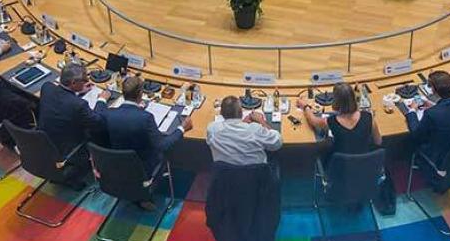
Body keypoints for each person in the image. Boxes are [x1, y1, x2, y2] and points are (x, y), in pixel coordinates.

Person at [97, 75, 192, 206]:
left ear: (123, 92)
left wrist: (102, 99)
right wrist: (182, 128)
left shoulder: (109, 113)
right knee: (166, 149)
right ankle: (144, 194)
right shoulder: (145, 118)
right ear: (141, 94)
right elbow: (163, 146)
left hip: (114, 166)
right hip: (143, 170)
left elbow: (98, 113)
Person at [38, 63, 110, 179]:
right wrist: (102, 99)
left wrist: (77, 91)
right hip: (67, 149)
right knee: (102, 132)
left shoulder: (47, 87)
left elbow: (62, 101)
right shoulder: (78, 105)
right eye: (84, 80)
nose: (87, 81)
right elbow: (98, 122)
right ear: (73, 83)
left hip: (45, 141)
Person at [403, 70, 450, 190]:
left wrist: (412, 111)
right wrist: (434, 106)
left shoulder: (431, 114)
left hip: (437, 157)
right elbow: (449, 112)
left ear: (433, 89)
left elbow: (416, 134)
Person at [296, 83, 381, 165]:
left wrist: (305, 106)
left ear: (336, 101)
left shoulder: (332, 121)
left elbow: (313, 120)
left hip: (340, 168)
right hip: (365, 165)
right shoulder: (369, 117)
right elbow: (378, 142)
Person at [206, 95, 283, 166]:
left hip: (226, 174)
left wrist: (243, 123)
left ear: (221, 113)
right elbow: (277, 142)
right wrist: (261, 121)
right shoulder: (255, 130)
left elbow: (232, 134)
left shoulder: (213, 129)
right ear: (241, 113)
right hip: (255, 174)